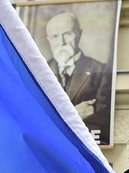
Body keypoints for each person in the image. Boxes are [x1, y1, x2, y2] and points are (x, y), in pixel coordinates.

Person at [45, 11, 113, 144]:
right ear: (48, 39)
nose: (61, 42)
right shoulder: (39, 73)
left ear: (79, 34)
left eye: (67, 34)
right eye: (55, 36)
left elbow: (102, 121)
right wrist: (75, 114)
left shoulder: (101, 70)